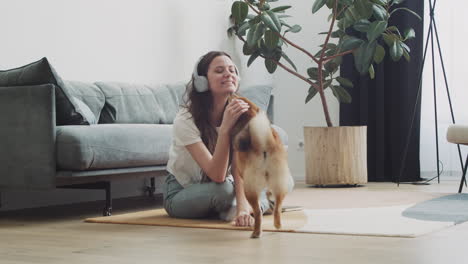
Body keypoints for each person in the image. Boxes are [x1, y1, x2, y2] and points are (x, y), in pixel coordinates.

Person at [162, 51, 274, 227]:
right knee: (223, 191)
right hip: (181, 192)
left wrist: (243, 209)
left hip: (222, 186)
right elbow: (217, 175)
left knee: (271, 187)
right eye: (220, 70)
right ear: (202, 81)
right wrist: (225, 129)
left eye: (232, 70)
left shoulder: (240, 113)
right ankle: (248, 206)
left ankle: (240, 209)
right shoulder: (185, 119)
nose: (228, 74)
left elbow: (239, 169)